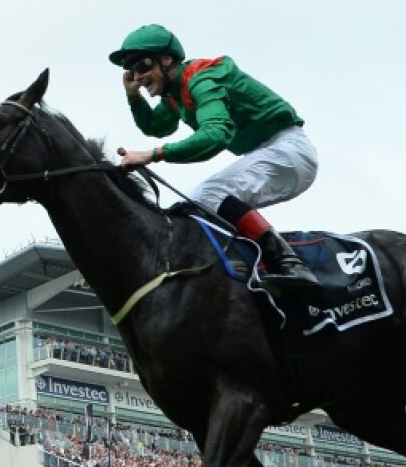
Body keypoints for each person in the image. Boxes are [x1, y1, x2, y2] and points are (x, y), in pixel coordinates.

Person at [110, 23, 319, 289]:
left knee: (208, 195)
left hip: (288, 149)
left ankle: (290, 263)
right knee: (195, 206)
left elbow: (215, 135)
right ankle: (255, 263)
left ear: (166, 60)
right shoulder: (174, 94)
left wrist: (152, 155)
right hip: (269, 152)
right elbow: (156, 126)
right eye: (131, 69)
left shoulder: (202, 79)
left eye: (143, 66)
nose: (138, 77)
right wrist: (133, 98)